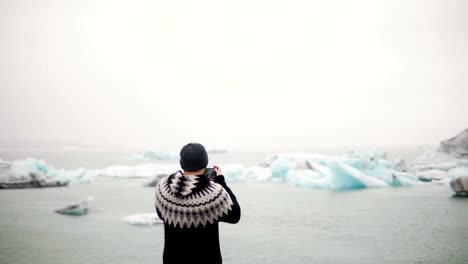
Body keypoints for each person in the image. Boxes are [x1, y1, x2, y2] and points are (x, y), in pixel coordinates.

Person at [155, 143, 241, 264]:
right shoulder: (214, 193)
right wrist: (220, 181)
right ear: (205, 162)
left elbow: (161, 214)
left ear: (181, 162)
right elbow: (235, 215)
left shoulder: (163, 187)